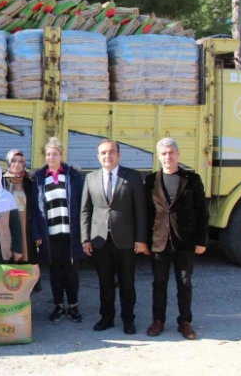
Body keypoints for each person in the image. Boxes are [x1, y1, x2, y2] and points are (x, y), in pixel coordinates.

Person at [81, 139, 148, 335]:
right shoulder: (91, 178)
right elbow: (85, 210)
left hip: (126, 240)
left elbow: (140, 210)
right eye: (103, 153)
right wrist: (85, 238)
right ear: (98, 157)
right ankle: (106, 317)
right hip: (100, 240)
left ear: (119, 155)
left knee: (127, 282)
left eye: (111, 152)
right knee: (105, 282)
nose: (107, 156)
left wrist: (141, 238)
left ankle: (128, 319)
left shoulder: (132, 177)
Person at [145, 138, 209, 340]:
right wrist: (144, 241)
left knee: (184, 283)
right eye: (164, 153)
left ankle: (185, 321)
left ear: (178, 154)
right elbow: (147, 213)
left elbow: (202, 212)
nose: (168, 156)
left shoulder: (192, 179)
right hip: (159, 241)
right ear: (158, 156)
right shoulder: (151, 180)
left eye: (171, 152)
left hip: (185, 241)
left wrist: (202, 241)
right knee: (159, 283)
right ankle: (158, 320)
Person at [32, 138, 85, 323]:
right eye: (48, 154)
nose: (51, 157)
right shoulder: (38, 178)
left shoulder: (74, 176)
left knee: (72, 271)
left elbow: (82, 204)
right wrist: (37, 233)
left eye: (55, 153)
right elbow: (35, 208)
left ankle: (73, 306)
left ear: (61, 155)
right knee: (55, 271)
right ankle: (58, 306)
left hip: (70, 233)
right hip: (51, 234)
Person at [2, 149, 40, 265]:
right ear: (8, 162)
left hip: (26, 228)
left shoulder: (29, 181)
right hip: (7, 227)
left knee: (27, 267)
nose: (17, 164)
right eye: (13, 161)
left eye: (20, 161)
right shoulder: (1, 181)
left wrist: (37, 232)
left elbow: (35, 208)